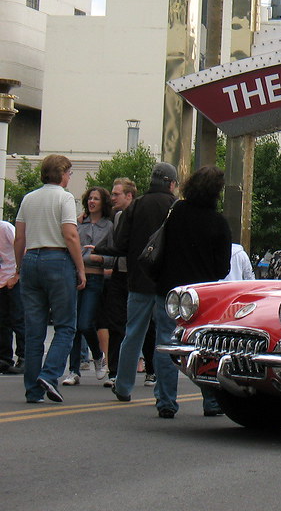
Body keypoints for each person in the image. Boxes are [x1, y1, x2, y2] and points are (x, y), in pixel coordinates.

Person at [153, 165, 232, 417]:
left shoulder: (176, 212)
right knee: (204, 347)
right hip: (203, 295)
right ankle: (210, 400)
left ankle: (166, 401)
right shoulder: (219, 223)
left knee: (167, 342)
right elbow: (223, 267)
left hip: (169, 289)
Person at [13, 155, 86, 403]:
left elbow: (19, 237)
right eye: (69, 173)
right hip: (57, 259)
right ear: (62, 173)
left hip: (31, 258)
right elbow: (70, 235)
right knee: (66, 325)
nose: (69, 177)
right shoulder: (64, 198)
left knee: (34, 329)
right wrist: (81, 268)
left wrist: (19, 265)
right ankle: (50, 373)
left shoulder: (29, 199)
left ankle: (33, 389)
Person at [110, 162, 177, 412]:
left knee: (133, 334)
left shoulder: (136, 205)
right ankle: (162, 390)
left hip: (138, 280)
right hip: (165, 283)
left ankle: (124, 386)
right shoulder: (174, 206)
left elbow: (120, 244)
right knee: (164, 337)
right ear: (171, 183)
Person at [62, 186, 114, 386]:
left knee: (85, 323)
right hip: (75, 277)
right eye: (90, 198)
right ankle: (74, 370)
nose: (92, 202)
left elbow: (112, 257)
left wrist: (96, 257)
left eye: (96, 199)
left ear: (103, 203)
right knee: (73, 325)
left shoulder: (108, 226)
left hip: (94, 278)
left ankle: (98, 355)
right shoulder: (79, 223)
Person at [90, 177, 137, 387]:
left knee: (140, 323)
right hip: (119, 273)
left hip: (136, 275)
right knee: (115, 322)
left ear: (129, 195)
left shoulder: (139, 213)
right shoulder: (117, 217)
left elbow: (123, 247)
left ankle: (148, 368)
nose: (112, 197)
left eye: (116, 194)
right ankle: (114, 370)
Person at [1, 218, 25, 375]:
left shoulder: (5, 228)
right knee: (2, 321)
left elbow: (23, 248)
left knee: (18, 319)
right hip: (2, 281)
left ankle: (24, 357)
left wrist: (17, 275)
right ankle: (4, 358)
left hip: (14, 278)